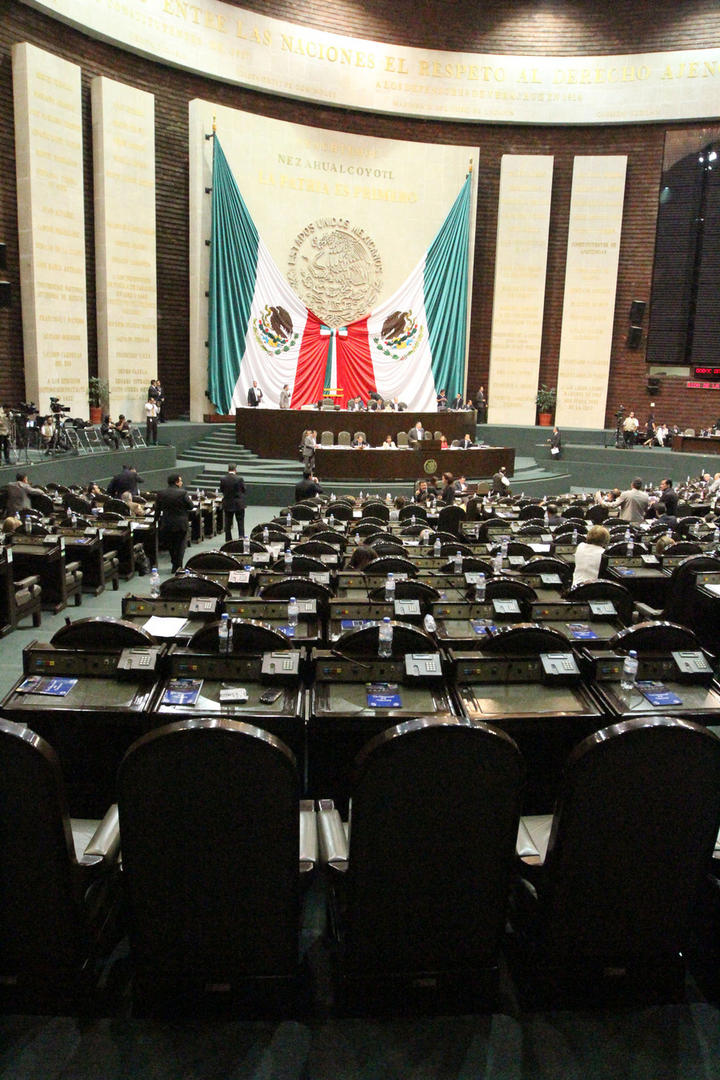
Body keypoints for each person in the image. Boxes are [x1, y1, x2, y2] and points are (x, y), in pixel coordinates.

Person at [156, 473, 193, 573]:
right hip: (181, 523)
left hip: (167, 523)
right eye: (180, 481)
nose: (182, 482)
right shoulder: (183, 493)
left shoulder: (161, 493)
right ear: (176, 482)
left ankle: (174, 564)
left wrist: (156, 521)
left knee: (171, 545)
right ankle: (178, 566)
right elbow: (191, 506)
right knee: (180, 546)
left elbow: (157, 510)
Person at [219, 463, 246, 541]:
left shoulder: (223, 479)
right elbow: (244, 490)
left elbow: (222, 490)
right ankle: (241, 537)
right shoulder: (239, 479)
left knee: (227, 523)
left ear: (228, 470)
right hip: (238, 504)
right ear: (235, 470)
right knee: (240, 522)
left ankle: (228, 539)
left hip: (228, 503)